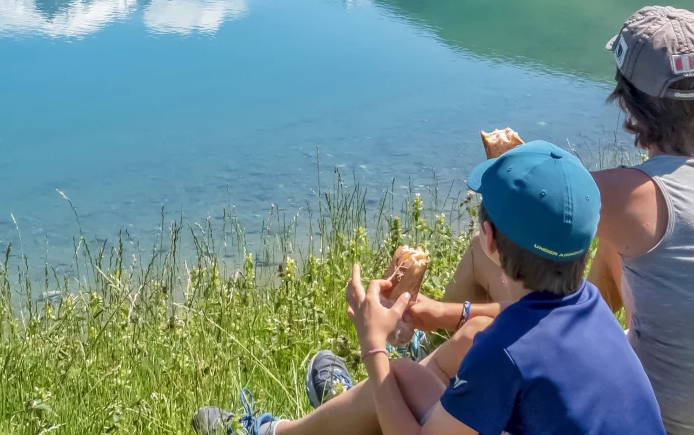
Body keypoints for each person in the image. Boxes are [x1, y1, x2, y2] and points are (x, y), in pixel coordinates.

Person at [424, 7, 694, 435]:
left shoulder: (630, 196)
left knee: (492, 244)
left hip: (649, 423)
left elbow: (544, 205)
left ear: (629, 103)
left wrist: (515, 167)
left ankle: (424, 349)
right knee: (611, 244)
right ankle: (458, 330)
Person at [193, 142, 667, 435]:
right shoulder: (589, 305)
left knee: (393, 377)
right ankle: (309, 423)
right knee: (405, 377)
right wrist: (438, 313)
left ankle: (283, 431)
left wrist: (373, 342)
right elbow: (513, 324)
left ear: (489, 242)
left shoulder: (503, 358)